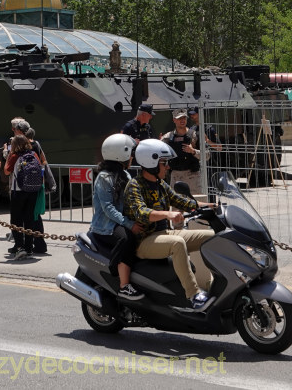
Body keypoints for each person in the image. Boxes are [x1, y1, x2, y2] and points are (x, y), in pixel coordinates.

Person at [123, 139, 215, 310]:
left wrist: (212, 207)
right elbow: (141, 212)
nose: (167, 167)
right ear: (151, 163)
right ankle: (194, 295)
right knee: (178, 244)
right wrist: (168, 214)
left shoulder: (160, 184)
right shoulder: (135, 185)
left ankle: (217, 286)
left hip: (164, 233)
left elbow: (182, 201)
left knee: (213, 237)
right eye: (164, 163)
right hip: (144, 241)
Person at [89, 133, 143, 300]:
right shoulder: (104, 178)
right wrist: (129, 224)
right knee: (128, 239)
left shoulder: (125, 175)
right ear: (122, 154)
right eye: (130, 153)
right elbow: (108, 209)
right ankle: (124, 286)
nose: (132, 157)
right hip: (105, 227)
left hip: (117, 223)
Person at [4, 134, 43, 260]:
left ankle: (19, 247)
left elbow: (6, 171)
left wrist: (9, 155)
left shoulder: (15, 156)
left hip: (18, 191)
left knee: (16, 220)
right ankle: (29, 248)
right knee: (29, 219)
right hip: (32, 190)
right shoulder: (34, 154)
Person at [25, 127, 57, 254]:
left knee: (32, 215)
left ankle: (37, 244)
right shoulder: (37, 144)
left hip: (27, 185)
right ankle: (39, 243)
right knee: (35, 215)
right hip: (38, 183)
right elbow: (44, 161)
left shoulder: (24, 146)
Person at [160, 110, 203, 195]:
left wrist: (193, 151)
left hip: (192, 177)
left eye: (184, 118)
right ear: (174, 120)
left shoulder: (195, 135)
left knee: (196, 204)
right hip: (176, 176)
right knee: (176, 206)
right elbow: (159, 153)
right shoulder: (168, 137)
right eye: (179, 118)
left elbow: (207, 155)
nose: (182, 120)